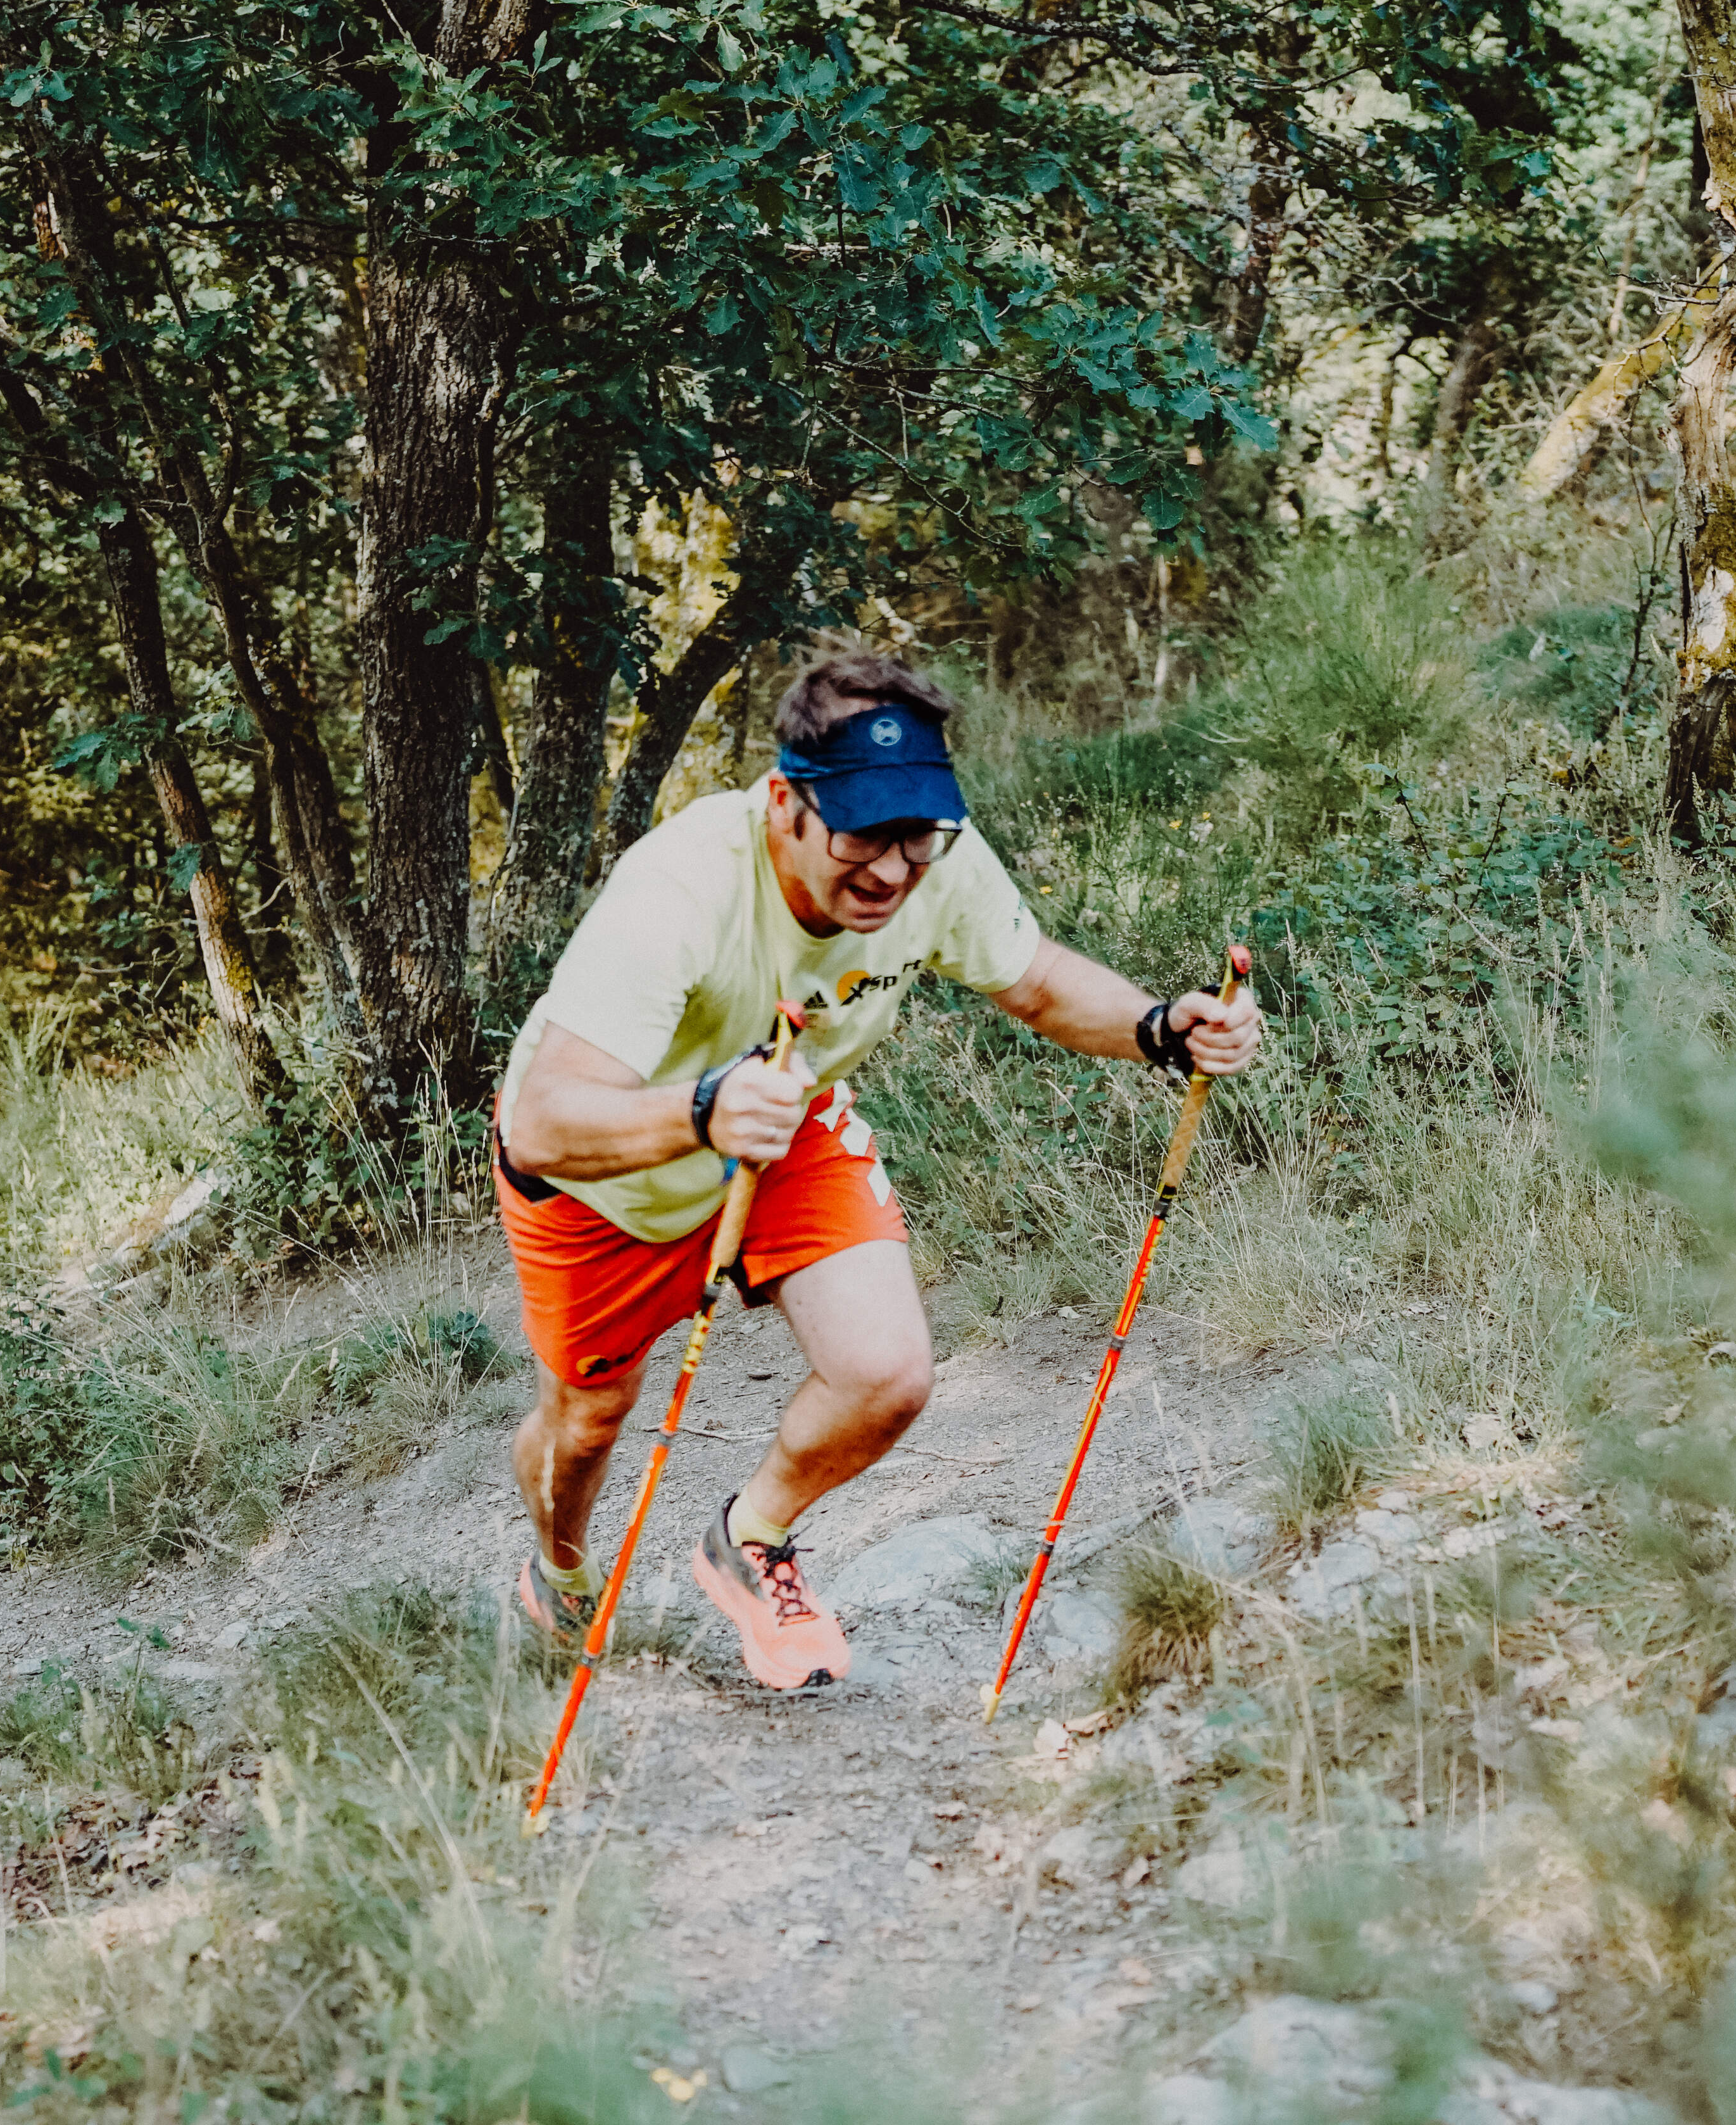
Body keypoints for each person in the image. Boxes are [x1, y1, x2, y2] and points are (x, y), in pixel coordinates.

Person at [493, 647, 1262, 1690]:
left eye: (920, 834)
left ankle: (750, 1537)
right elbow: (542, 1122)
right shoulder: (680, 888)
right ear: (785, 804)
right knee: (587, 1423)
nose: (896, 870)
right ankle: (560, 1575)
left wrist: (1160, 1027)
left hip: (784, 1125)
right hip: (604, 1179)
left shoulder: (937, 864)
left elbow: (1033, 983)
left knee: (887, 1374)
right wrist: (707, 1109)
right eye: (865, 834)